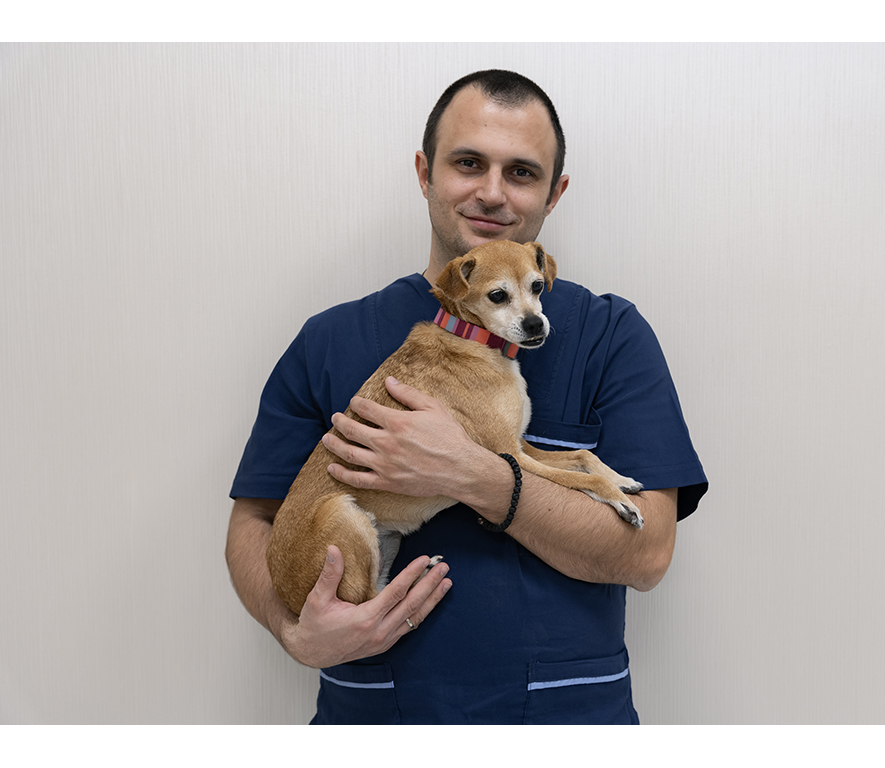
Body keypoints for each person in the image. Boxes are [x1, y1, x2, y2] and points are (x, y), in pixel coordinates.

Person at [226, 69, 708, 724]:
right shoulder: (329, 340)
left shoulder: (611, 335)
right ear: (425, 173)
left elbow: (649, 554)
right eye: (468, 163)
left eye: (522, 172)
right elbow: (254, 522)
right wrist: (293, 633)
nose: (492, 192)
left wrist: (472, 473)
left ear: (555, 192)